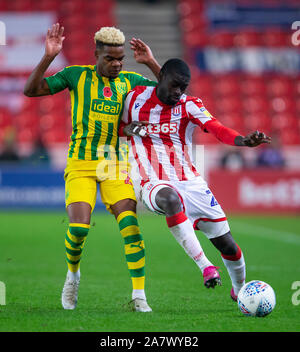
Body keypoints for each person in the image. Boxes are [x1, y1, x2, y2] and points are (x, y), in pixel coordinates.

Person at [23, 23, 162, 312]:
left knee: (130, 226)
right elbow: (31, 90)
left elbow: (170, 93)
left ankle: (139, 295)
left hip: (114, 164)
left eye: (120, 59)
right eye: (110, 58)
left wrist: (150, 62)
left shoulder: (130, 81)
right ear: (96, 55)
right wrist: (49, 56)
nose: (116, 64)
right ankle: (72, 275)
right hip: (81, 163)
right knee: (79, 228)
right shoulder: (77, 75)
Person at [120, 58, 271, 302]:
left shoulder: (189, 105)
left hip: (191, 183)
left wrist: (243, 141)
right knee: (170, 199)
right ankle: (206, 267)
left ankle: (240, 290)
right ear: (161, 78)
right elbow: (116, 127)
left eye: (183, 87)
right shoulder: (134, 99)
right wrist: (126, 130)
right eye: (174, 86)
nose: (178, 92)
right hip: (152, 181)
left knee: (228, 246)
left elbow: (217, 128)